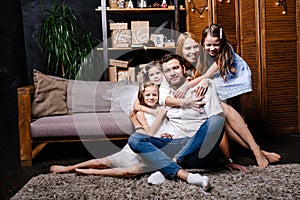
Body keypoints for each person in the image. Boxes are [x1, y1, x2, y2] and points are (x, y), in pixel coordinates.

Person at [174, 30, 281, 168]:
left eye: (195, 47)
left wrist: (206, 81)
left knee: (223, 112)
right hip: (191, 108)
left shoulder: (205, 58)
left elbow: (209, 75)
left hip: (209, 103)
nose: (193, 51)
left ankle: (256, 150)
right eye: (188, 48)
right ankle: (259, 151)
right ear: (180, 50)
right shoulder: (176, 65)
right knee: (222, 111)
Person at [128, 53, 227, 190]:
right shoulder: (162, 92)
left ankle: (170, 166)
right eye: (167, 71)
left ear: (183, 68)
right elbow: (140, 102)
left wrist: (228, 159)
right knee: (135, 139)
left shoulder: (203, 87)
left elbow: (216, 125)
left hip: (198, 148)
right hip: (174, 143)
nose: (172, 73)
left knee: (217, 120)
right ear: (164, 75)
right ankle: (186, 174)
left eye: (175, 68)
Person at [50, 82, 168, 177]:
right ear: (142, 96)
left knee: (129, 172)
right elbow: (148, 133)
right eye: (148, 95)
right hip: (139, 148)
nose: (151, 98)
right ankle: (68, 168)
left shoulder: (162, 109)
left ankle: (94, 172)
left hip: (155, 149)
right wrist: (159, 115)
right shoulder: (141, 114)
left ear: (158, 96)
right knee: (103, 162)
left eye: (154, 95)